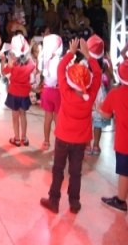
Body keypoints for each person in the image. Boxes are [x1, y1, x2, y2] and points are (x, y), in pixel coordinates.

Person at [40, 38, 101, 214]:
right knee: (76, 172)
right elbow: (96, 75)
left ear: (70, 80)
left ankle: (54, 200)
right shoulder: (90, 94)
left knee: (58, 169)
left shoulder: (65, 92)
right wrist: (88, 56)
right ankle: (74, 202)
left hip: (63, 137)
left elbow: (60, 70)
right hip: (80, 141)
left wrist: (71, 52)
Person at [98, 47, 128, 212]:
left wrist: (97, 108)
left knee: (124, 172)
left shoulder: (116, 94)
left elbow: (105, 115)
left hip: (125, 141)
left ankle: (121, 200)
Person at [2, 34, 36, 147]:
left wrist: (4, 60)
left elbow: (4, 72)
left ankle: (16, 138)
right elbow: (33, 64)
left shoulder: (12, 64)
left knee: (15, 116)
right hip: (24, 93)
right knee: (23, 115)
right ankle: (24, 138)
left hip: (14, 93)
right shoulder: (30, 64)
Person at [86, 34, 113, 156]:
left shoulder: (84, 62)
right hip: (100, 93)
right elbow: (110, 78)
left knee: (87, 120)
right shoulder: (105, 63)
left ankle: (87, 145)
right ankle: (96, 146)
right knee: (98, 122)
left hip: (87, 92)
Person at [39, 34, 63, 150]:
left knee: (47, 117)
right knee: (58, 119)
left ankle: (46, 141)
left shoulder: (43, 57)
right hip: (58, 91)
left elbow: (40, 71)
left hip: (47, 90)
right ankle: (58, 144)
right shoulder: (60, 60)